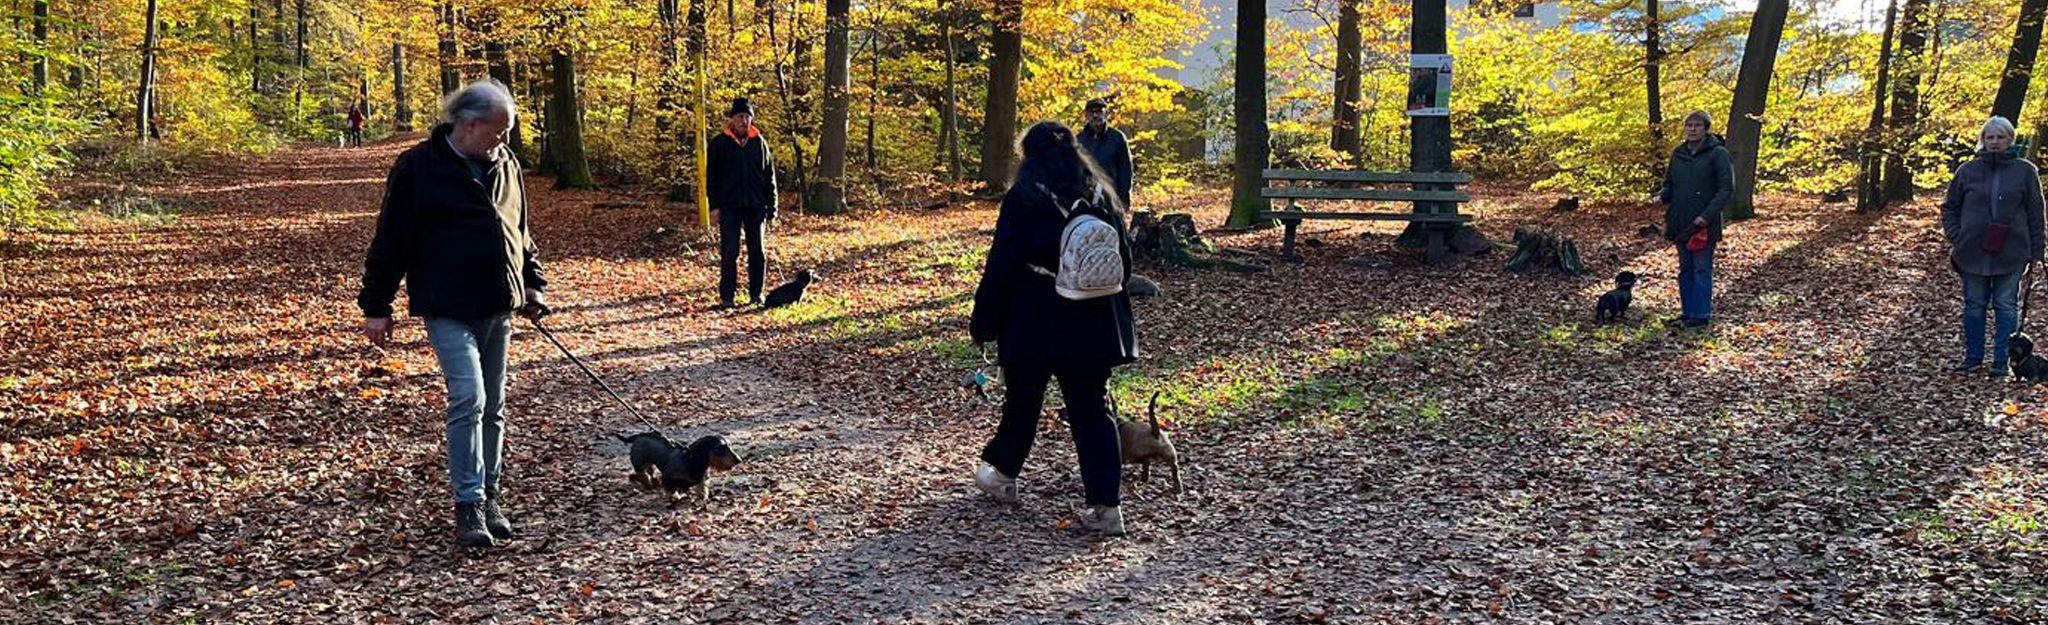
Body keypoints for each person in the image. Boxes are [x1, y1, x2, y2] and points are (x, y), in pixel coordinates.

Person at [358, 79, 548, 548]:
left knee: (495, 406)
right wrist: (376, 305)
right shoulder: (419, 168)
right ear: (470, 125)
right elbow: (391, 238)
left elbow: (520, 232)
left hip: (498, 304)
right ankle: (468, 504)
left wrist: (533, 284)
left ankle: (490, 494)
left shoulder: (507, 165)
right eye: (499, 131)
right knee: (470, 396)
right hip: (446, 305)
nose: (504, 141)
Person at [969, 121, 1138, 536]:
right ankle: (1106, 506)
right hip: (1095, 318)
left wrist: (984, 321)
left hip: (1035, 315)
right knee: (1092, 411)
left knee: (1024, 400)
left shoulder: (1024, 198)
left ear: (1029, 156)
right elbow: (1125, 262)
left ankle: (1003, 475)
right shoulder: (1101, 196)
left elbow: (1002, 264)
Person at [1941, 115, 2045, 377]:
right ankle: (1973, 358)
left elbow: (2036, 212)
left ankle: (2002, 362)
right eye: (1990, 137)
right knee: (1974, 305)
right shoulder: (1967, 170)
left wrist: (2038, 251)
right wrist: (1957, 236)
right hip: (1971, 252)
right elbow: (1949, 207)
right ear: (1983, 140)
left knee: (2006, 305)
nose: (1995, 142)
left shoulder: (2026, 171)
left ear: (2010, 139)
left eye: (2000, 137)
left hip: (2012, 252)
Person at [1653, 110, 1733, 330]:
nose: (1693, 129)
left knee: (1702, 269)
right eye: (1689, 125)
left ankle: (1700, 315)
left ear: (1706, 129)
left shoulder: (1718, 154)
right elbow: (1669, 184)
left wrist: (1706, 216)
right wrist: (1662, 195)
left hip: (1704, 224)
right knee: (1685, 270)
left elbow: (1726, 189)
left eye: (1698, 125)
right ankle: (1687, 313)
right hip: (1679, 220)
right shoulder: (1678, 153)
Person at [706, 96, 778, 307]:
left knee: (758, 252)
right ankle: (727, 296)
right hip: (730, 206)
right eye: (740, 116)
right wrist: (714, 206)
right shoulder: (719, 144)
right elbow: (712, 177)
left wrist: (772, 208)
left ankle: (756, 295)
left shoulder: (760, 143)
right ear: (732, 119)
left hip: (756, 206)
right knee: (730, 252)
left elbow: (769, 177)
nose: (744, 121)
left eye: (747, 117)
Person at [1077, 99, 1134, 210]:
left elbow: (1125, 170)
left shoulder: (1117, 138)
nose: (1095, 115)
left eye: (1099, 111)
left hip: (1111, 198)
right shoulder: (1079, 140)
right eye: (1092, 112)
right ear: (1086, 115)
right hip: (1086, 198)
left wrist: (1124, 199)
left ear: (1106, 114)